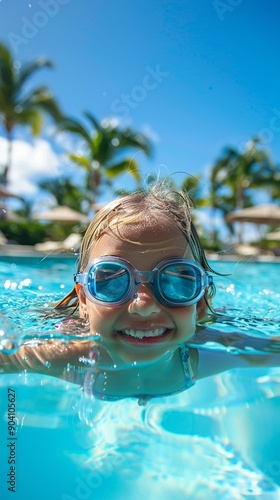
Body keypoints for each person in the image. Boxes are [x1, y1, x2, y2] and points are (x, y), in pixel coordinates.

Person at [1, 183, 279, 405]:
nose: (143, 305)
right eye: (111, 281)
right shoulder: (68, 355)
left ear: (202, 302)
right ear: (84, 299)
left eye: (178, 281)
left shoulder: (210, 351)